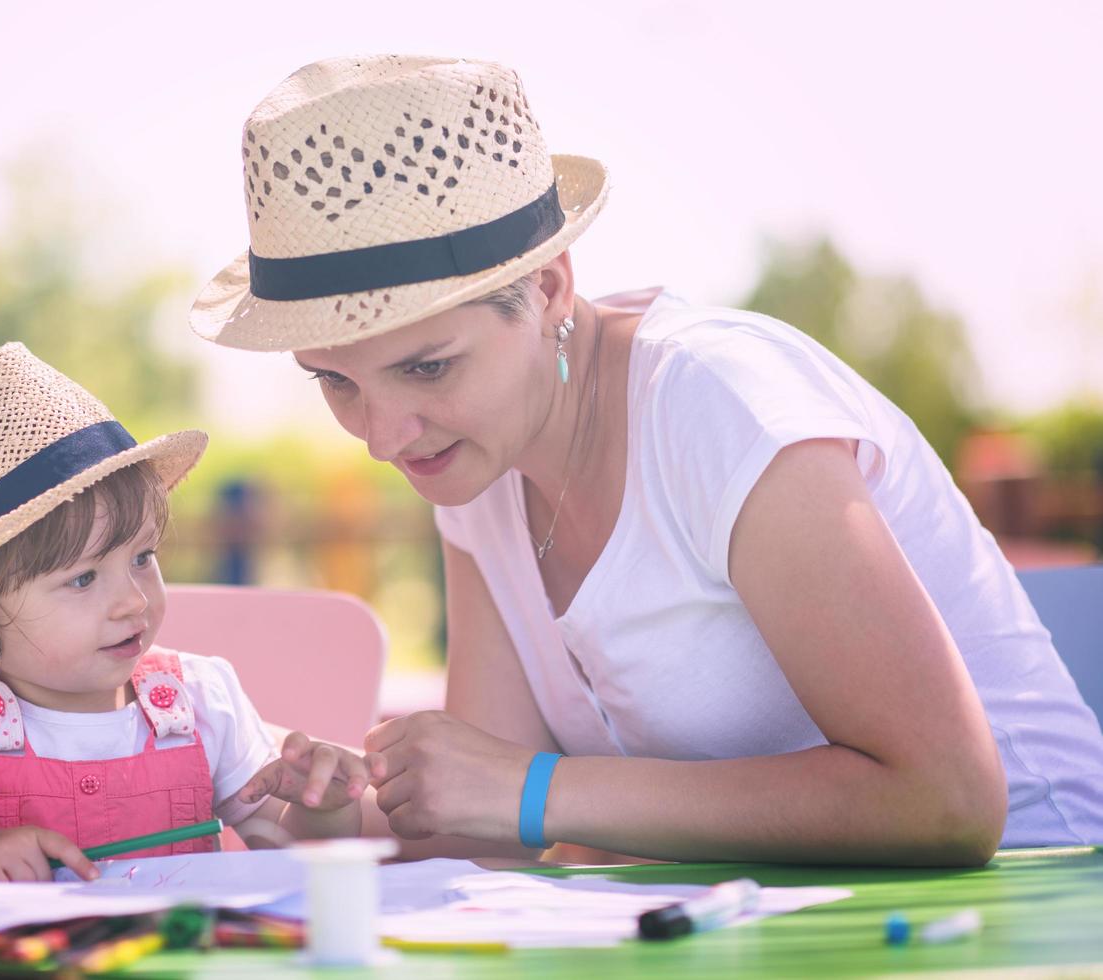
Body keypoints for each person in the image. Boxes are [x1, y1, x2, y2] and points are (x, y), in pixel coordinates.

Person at [190, 55, 1103, 865]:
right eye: (334, 384)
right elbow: (483, 818)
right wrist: (342, 821)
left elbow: (945, 801)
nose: (384, 437)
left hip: (1033, 899)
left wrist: (539, 791)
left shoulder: (719, 402)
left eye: (426, 366)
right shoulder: (472, 463)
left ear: (547, 288)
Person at [0, 343, 382, 886]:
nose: (134, 600)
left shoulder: (201, 700)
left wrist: (320, 807)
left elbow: (281, 848)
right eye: (83, 578)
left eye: (143, 557)